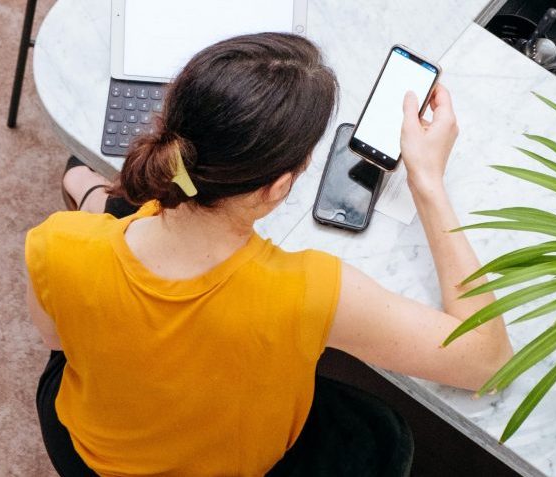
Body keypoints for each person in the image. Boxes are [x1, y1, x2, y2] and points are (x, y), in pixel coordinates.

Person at [26, 33, 512, 477]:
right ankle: (95, 194)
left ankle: (90, 193)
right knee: (380, 434)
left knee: (114, 213)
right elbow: (487, 363)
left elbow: (58, 343)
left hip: (84, 452)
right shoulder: (308, 292)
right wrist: (428, 182)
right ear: (279, 186)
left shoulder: (54, 243)